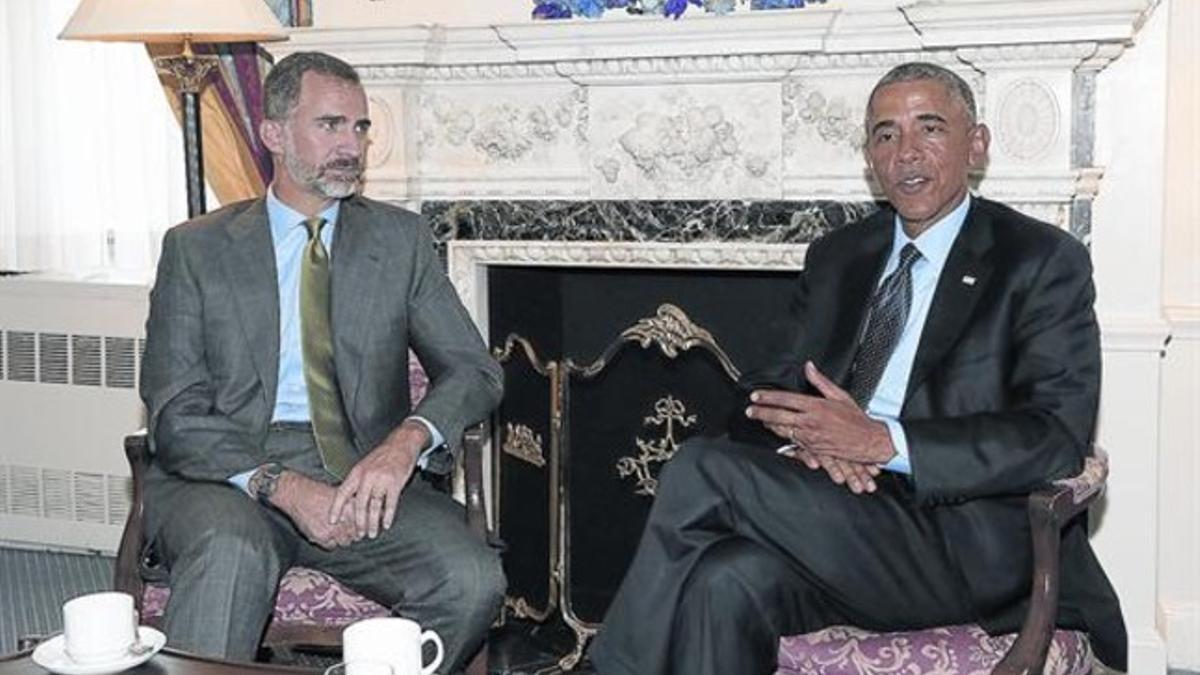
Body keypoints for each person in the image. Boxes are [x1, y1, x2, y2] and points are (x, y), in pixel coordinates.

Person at [589, 62, 1126, 675]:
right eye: (885, 135)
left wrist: (883, 442)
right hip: (835, 514)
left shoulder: (1040, 261)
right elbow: (762, 390)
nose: (906, 153)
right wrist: (811, 439)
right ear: (869, 155)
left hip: (962, 547)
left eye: (930, 128)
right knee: (724, 580)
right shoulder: (841, 256)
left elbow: (1055, 437)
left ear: (976, 144)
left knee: (698, 468)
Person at [139, 51, 505, 671]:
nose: (352, 145)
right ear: (273, 134)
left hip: (360, 473)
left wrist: (405, 444)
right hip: (231, 476)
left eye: (360, 128)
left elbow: (476, 368)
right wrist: (280, 485)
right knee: (232, 553)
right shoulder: (196, 249)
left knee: (472, 578)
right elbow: (176, 414)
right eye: (331, 125)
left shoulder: (399, 241)